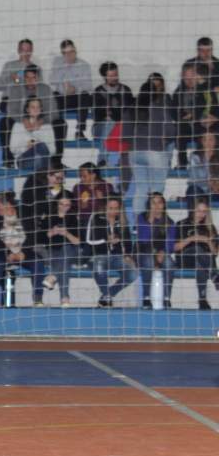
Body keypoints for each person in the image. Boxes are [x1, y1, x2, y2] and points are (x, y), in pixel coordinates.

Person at [124, 73, 175, 223]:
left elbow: (125, 134)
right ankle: (154, 224)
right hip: (154, 151)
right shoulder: (159, 108)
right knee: (156, 192)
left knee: (141, 190)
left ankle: (138, 225)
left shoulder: (132, 108)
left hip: (134, 154)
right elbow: (171, 131)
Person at [86, 195, 137, 308]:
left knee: (133, 273)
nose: (113, 211)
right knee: (99, 267)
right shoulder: (96, 217)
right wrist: (106, 240)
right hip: (98, 255)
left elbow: (128, 241)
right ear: (105, 207)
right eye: (110, 208)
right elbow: (89, 240)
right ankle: (107, 297)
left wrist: (128, 255)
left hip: (117, 257)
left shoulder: (122, 221)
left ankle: (107, 296)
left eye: (116, 208)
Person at [174, 198, 219, 310]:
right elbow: (175, 247)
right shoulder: (182, 224)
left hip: (204, 262)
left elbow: (215, 253)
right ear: (193, 210)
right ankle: (215, 277)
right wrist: (193, 238)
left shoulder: (210, 227)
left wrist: (208, 241)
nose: (201, 214)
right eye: (199, 211)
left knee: (201, 262)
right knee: (197, 249)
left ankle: (202, 300)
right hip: (185, 258)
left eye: (204, 211)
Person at [136, 192, 176, 309]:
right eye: (153, 203)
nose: (157, 206)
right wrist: (151, 220)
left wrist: (163, 251)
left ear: (164, 205)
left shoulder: (169, 222)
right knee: (148, 262)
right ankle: (146, 297)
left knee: (169, 263)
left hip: (161, 252)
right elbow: (143, 239)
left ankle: (167, 298)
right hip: (144, 252)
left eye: (159, 203)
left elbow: (170, 244)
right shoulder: (141, 218)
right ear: (149, 205)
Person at [39, 194, 80, 308]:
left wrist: (66, 233)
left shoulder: (73, 219)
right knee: (63, 264)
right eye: (61, 204)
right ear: (56, 204)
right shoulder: (48, 218)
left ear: (71, 206)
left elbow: (77, 242)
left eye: (67, 205)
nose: (64, 207)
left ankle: (52, 277)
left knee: (66, 251)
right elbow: (41, 240)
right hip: (52, 250)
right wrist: (50, 233)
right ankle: (64, 297)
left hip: (71, 250)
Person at [92, 61, 134, 167]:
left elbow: (128, 112)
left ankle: (111, 161)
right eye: (111, 76)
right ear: (104, 76)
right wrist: (112, 114)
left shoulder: (125, 90)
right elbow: (98, 115)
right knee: (109, 122)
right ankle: (102, 159)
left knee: (113, 122)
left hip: (121, 127)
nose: (114, 78)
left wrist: (111, 112)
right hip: (100, 128)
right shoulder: (98, 91)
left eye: (116, 74)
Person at [49, 39, 92, 140]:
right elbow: (51, 81)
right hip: (62, 97)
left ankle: (80, 131)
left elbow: (89, 86)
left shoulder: (84, 65)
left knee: (85, 95)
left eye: (71, 52)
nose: (69, 55)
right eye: (65, 53)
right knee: (53, 96)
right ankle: (60, 130)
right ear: (62, 53)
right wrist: (64, 88)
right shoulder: (57, 62)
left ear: (75, 51)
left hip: (77, 98)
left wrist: (75, 89)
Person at [9, 97, 56, 172]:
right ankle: (44, 177)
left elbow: (53, 150)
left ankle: (41, 178)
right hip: (23, 160)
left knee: (40, 152)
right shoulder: (18, 125)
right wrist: (26, 147)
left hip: (41, 158)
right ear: (27, 110)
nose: (36, 109)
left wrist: (37, 143)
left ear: (41, 109)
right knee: (41, 150)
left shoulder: (47, 126)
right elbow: (13, 149)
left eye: (38, 107)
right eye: (32, 107)